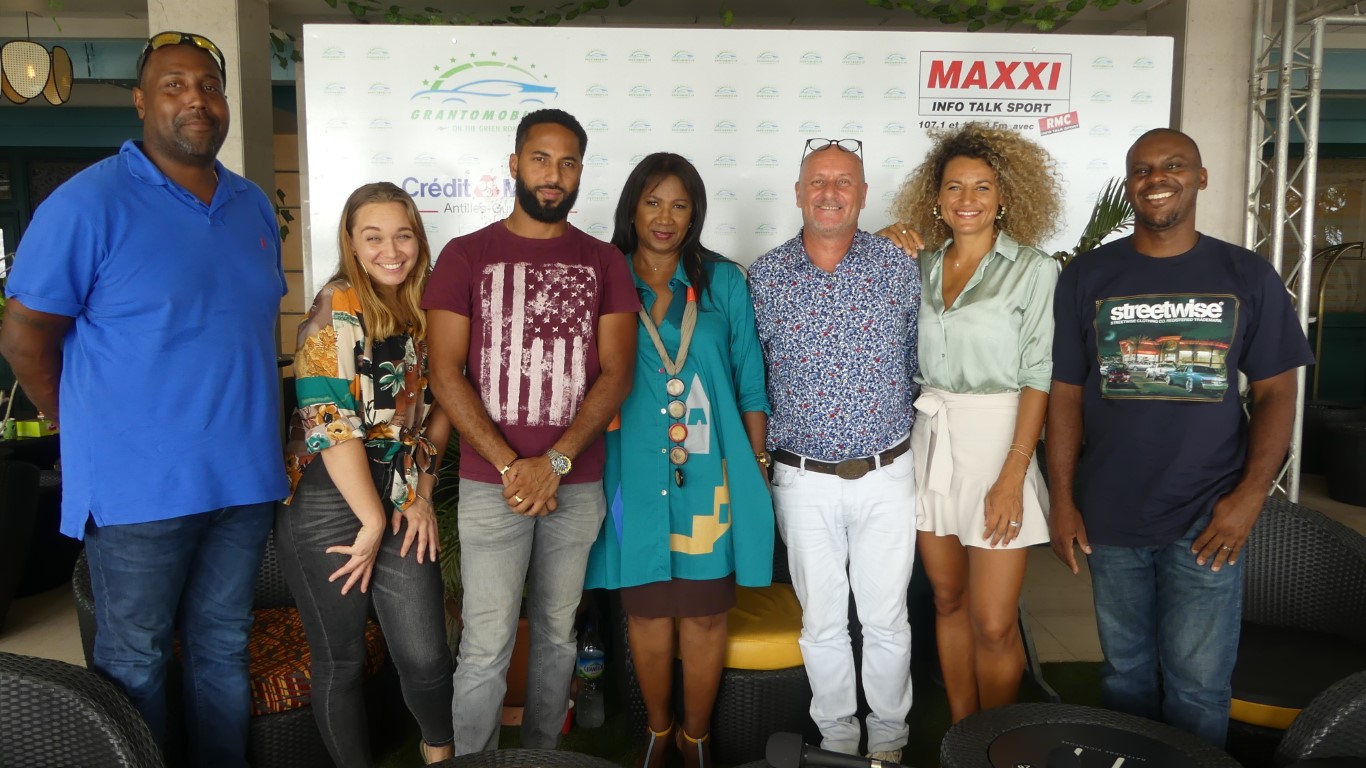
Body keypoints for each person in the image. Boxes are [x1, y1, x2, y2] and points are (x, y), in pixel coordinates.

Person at [0, 31, 286, 766]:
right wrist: (82, 429)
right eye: (174, 86)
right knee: (136, 658)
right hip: (138, 489)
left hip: (243, 480)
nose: (197, 100)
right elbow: (25, 338)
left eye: (209, 86)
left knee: (223, 645)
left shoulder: (252, 204)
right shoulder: (87, 203)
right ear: (140, 100)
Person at [1048, 128, 1313, 746]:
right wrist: (1061, 498)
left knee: (1198, 685)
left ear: (1201, 177)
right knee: (1125, 676)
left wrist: (1250, 496)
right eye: (1142, 169)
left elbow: (1277, 393)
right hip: (1110, 511)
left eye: (1174, 165)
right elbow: (1065, 395)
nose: (1157, 178)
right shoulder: (1088, 275)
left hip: (1208, 514)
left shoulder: (1246, 273)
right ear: (1129, 183)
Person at [423, 108, 639, 754]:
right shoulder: (466, 256)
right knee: (486, 643)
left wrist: (556, 463)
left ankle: (543, 759)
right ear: (514, 165)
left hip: (575, 484)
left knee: (555, 635)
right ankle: (474, 763)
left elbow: (617, 373)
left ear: (580, 173)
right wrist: (513, 466)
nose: (553, 174)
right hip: (491, 485)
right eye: (541, 159)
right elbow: (444, 373)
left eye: (568, 162)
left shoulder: (603, 261)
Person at [584, 153, 774, 768]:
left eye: (679, 205)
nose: (664, 218)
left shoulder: (724, 282)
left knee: (705, 614)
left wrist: (756, 464)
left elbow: (750, 382)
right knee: (645, 613)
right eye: (652, 202)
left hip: (710, 474)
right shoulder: (604, 276)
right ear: (632, 209)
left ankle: (697, 738)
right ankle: (658, 732)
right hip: (631, 473)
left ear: (695, 214)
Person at [879, 123, 1062, 722]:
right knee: (948, 600)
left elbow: (1039, 375)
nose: (968, 199)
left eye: (982, 187)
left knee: (993, 621)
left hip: (998, 443)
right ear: (935, 198)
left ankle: (993, 744)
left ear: (1004, 196)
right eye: (954, 187)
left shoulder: (1033, 269)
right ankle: (961, 732)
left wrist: (1013, 475)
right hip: (932, 439)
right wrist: (879, 242)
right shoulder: (920, 266)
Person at [749, 138, 921, 763]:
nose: (830, 192)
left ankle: (890, 740)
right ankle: (840, 739)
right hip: (802, 479)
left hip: (886, 473)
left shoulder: (899, 266)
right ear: (798, 193)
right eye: (817, 181)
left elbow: (920, 359)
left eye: (843, 181)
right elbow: (753, 380)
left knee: (886, 619)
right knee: (821, 621)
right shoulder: (763, 276)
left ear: (864, 194)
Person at [277, 182, 455, 766]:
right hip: (331, 497)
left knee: (427, 656)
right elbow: (328, 422)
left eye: (403, 235)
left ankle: (440, 755)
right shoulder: (335, 305)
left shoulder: (430, 307)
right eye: (373, 237)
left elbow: (445, 404)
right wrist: (372, 519)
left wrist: (421, 493)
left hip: (400, 489)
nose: (391, 250)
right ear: (351, 243)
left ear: (419, 240)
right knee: (342, 660)